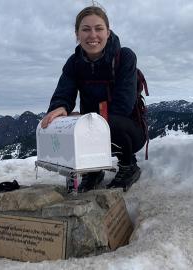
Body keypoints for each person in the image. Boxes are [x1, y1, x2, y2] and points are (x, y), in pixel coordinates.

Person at [41, 6, 146, 192]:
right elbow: (64, 92)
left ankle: (128, 165)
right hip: (92, 127)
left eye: (98, 28)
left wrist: (84, 120)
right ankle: (93, 170)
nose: (93, 35)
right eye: (86, 29)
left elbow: (123, 105)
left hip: (128, 130)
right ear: (77, 34)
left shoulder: (125, 57)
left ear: (108, 31)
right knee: (71, 122)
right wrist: (60, 107)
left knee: (103, 122)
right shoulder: (74, 63)